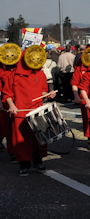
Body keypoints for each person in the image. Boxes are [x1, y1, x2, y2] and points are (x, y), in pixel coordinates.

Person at [3, 47, 57, 175]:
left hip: (37, 110)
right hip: (20, 111)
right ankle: (24, 164)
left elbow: (42, 91)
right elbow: (7, 94)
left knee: (40, 138)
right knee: (22, 140)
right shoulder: (12, 75)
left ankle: (38, 161)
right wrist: (11, 106)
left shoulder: (40, 73)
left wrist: (48, 94)